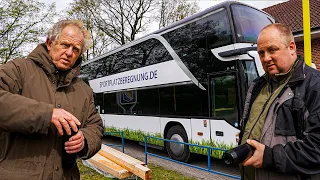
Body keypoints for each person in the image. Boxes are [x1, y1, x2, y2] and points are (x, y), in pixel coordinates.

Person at [0, 20, 104, 179]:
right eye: (65, 45)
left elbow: (95, 125)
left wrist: (85, 140)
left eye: (75, 49)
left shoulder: (84, 89)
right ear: (49, 43)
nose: (69, 53)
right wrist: (46, 114)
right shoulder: (19, 69)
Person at [239, 23, 320, 180]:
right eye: (261, 53)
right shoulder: (256, 86)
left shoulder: (314, 85)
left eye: (272, 50)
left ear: (291, 48)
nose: (266, 58)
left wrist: (269, 157)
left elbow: (317, 147)